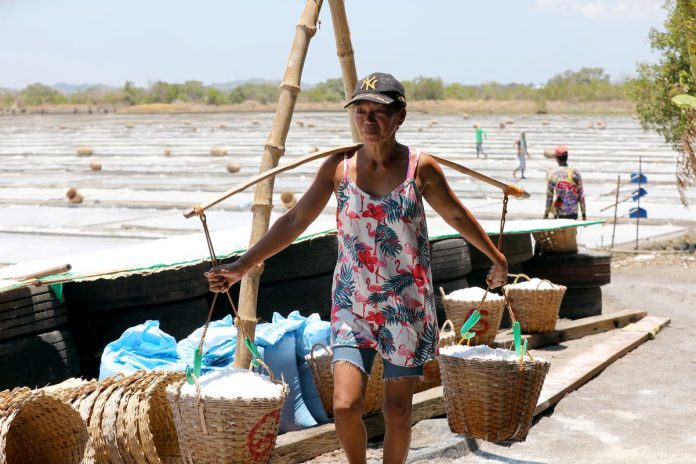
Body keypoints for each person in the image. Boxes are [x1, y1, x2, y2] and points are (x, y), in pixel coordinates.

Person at [205, 72, 508, 464]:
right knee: (346, 406)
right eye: (360, 112)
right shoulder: (338, 168)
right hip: (353, 302)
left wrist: (496, 256)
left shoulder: (421, 168)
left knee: (397, 410)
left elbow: (457, 216)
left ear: (399, 116)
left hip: (406, 306)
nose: (367, 120)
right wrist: (242, 266)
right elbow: (295, 220)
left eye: (378, 112)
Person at [544, 145, 587, 220]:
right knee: (571, 231)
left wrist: (546, 214)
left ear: (556, 158)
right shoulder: (575, 172)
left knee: (560, 232)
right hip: (573, 213)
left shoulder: (553, 174)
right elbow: (581, 195)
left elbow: (549, 196)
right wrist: (584, 214)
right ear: (567, 157)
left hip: (559, 212)